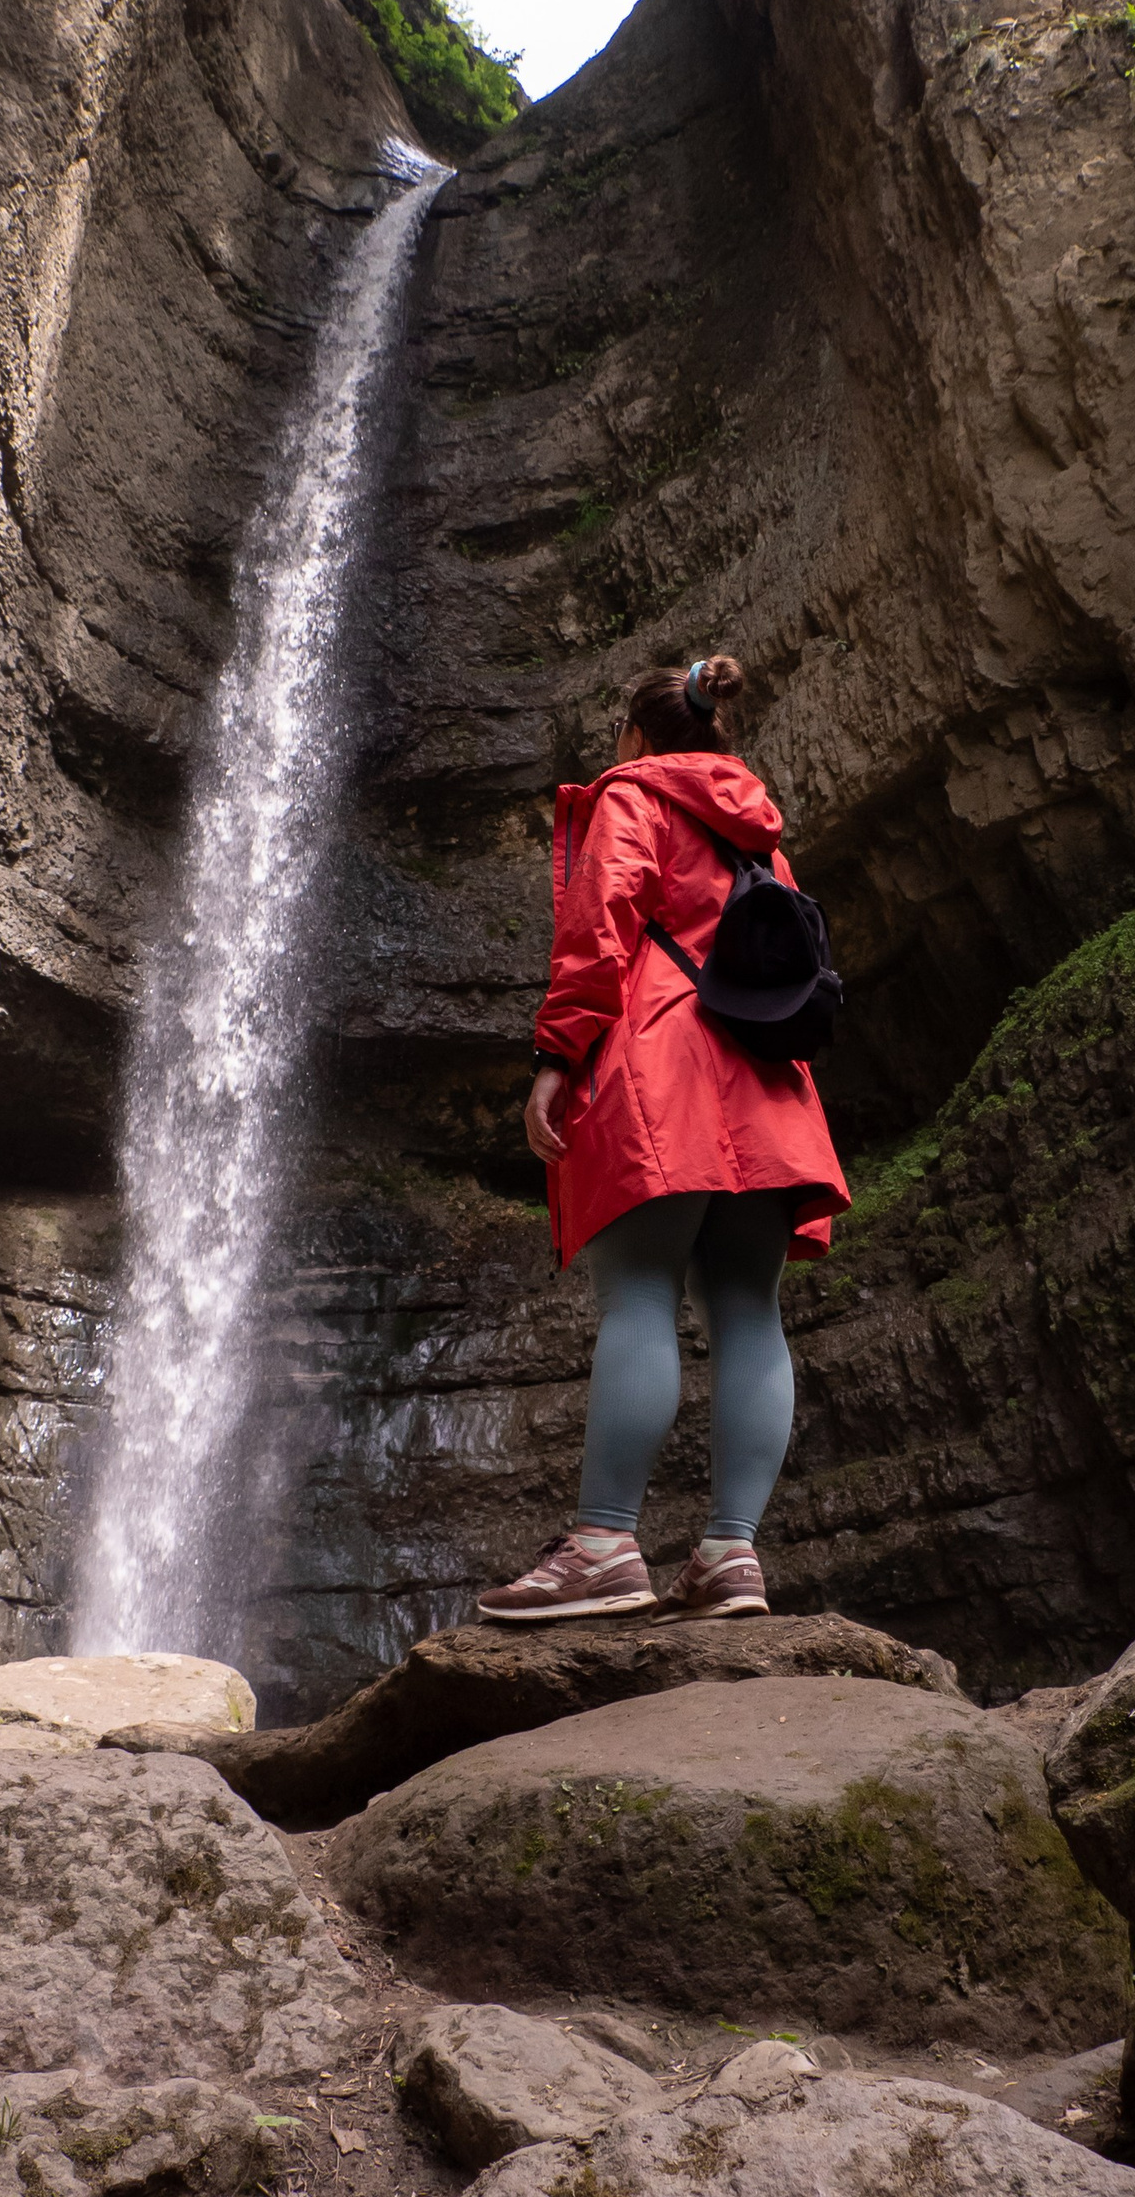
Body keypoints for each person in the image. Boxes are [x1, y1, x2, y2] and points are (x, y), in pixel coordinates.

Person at [478, 656, 850, 1624]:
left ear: (637, 736)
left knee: (642, 1291)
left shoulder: (631, 796)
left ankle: (604, 1542)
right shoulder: (758, 832)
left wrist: (557, 1055)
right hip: (765, 1079)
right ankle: (731, 1554)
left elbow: (600, 926)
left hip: (660, 1066)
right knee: (749, 1310)